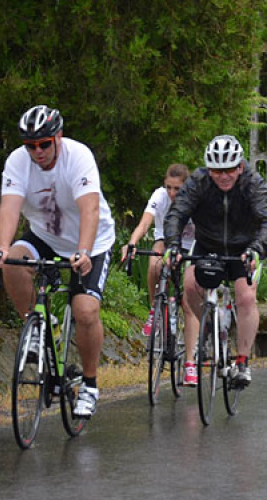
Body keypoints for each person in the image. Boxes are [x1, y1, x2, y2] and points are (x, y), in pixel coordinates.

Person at [0, 105, 116, 419]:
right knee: (10, 261)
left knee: (85, 311)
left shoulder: (78, 157)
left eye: (44, 144)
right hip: (45, 237)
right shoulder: (17, 162)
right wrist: (1, 246)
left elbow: (90, 209)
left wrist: (84, 251)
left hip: (91, 240)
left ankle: (90, 385)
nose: (37, 151)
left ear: (58, 137)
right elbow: (9, 208)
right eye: (30, 146)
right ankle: (36, 326)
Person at [164, 135, 267, 386]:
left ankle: (242, 362)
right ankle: (209, 327)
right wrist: (173, 245)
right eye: (217, 171)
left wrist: (257, 249)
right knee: (189, 285)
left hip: (244, 248)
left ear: (239, 166)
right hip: (207, 244)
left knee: (246, 297)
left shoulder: (252, 182)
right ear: (209, 168)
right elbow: (177, 213)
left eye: (229, 170)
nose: (224, 176)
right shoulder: (198, 181)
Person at [121, 164, 195, 336]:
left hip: (190, 242)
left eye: (177, 188)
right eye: (168, 187)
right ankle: (155, 308)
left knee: (191, 282)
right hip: (166, 238)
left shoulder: (193, 198)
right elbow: (145, 223)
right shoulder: (160, 196)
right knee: (155, 264)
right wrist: (132, 243)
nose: (171, 193)